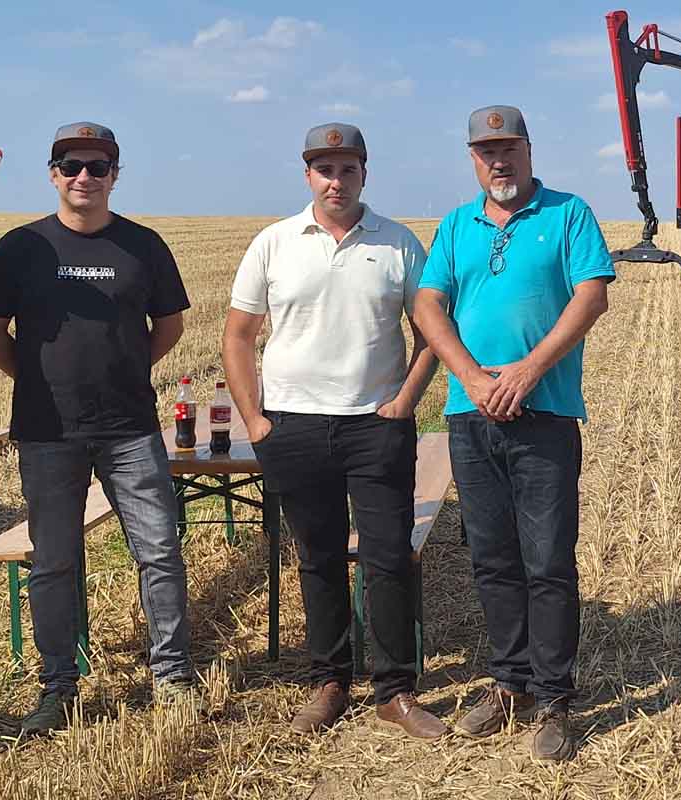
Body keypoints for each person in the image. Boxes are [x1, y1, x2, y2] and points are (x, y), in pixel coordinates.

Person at [0, 122, 198, 736]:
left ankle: (172, 676)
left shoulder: (143, 246)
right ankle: (59, 686)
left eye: (98, 168)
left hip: (131, 429)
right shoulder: (22, 247)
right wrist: (35, 380)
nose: (84, 178)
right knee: (53, 562)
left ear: (114, 176)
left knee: (159, 554)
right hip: (46, 431)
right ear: (52, 173)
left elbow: (169, 326)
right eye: (71, 166)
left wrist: (125, 368)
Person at [222, 123, 446, 739]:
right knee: (316, 559)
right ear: (308, 176)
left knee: (388, 558)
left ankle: (394, 691)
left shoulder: (399, 244)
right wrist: (256, 420)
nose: (335, 180)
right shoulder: (273, 243)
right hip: (292, 428)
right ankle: (330, 683)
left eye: (347, 169)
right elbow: (237, 336)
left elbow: (433, 330)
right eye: (324, 169)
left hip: (375, 425)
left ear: (364, 174)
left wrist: (405, 401)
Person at [411, 105, 615, 761]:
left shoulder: (567, 214)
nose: (498, 161)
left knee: (548, 560)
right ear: (473, 159)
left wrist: (528, 370)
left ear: (529, 149)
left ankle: (554, 698)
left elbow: (591, 296)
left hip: (545, 413)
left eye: (508, 148)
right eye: (485, 151)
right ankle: (508, 683)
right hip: (471, 416)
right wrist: (470, 377)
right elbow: (427, 304)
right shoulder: (455, 225)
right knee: (493, 558)